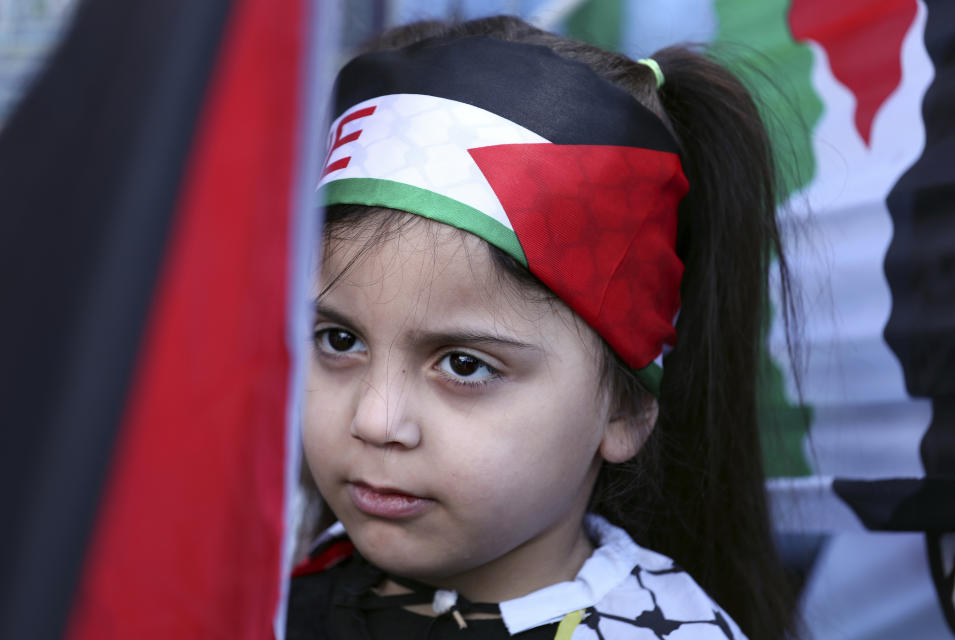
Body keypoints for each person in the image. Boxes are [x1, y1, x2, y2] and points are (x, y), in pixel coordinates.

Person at [289, 15, 798, 640]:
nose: (374, 421)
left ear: (626, 408)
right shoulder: (265, 587)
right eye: (339, 340)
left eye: (464, 364)